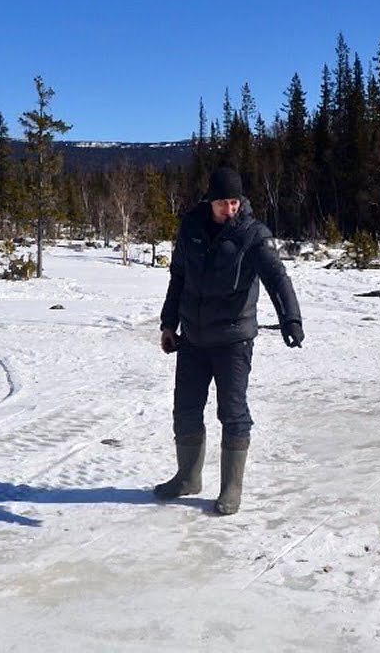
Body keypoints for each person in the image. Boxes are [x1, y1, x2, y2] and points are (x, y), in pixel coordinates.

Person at [155, 166, 304, 515]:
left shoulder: (253, 234)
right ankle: (188, 478)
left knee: (232, 413)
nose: (230, 210)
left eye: (234, 202)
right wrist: (167, 324)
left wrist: (290, 319)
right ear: (210, 201)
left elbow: (277, 278)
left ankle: (231, 488)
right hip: (192, 337)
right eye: (223, 203)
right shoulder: (190, 228)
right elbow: (178, 278)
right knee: (186, 410)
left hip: (233, 340)